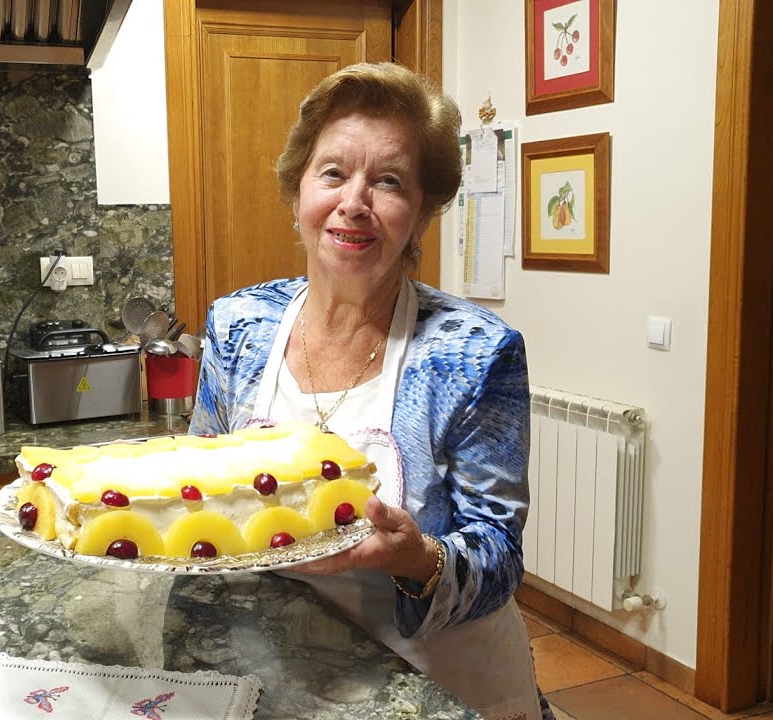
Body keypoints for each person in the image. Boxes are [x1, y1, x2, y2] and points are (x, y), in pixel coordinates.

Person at [188, 62, 553, 720]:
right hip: (284, 669)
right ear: (299, 190)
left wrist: (419, 559)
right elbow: (201, 482)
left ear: (421, 215)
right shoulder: (238, 327)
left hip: (440, 682)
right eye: (333, 173)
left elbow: (498, 555)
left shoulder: (473, 354)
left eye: (388, 181)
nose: (354, 201)